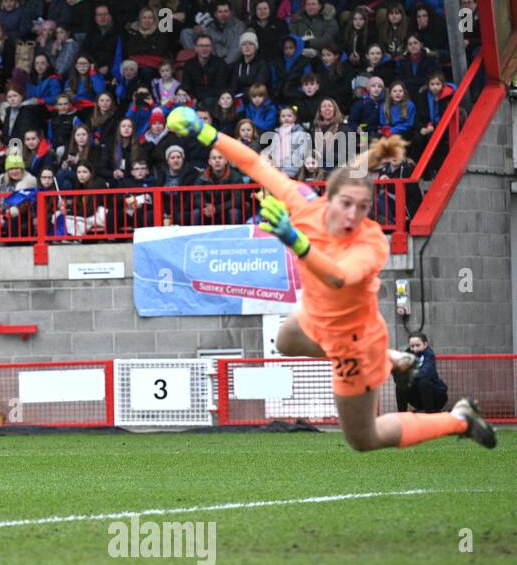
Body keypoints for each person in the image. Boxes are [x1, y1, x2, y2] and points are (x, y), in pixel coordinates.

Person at [165, 106, 496, 452]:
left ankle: (458, 419)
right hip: (317, 316)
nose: (354, 215)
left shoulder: (369, 241)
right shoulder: (306, 204)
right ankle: (392, 358)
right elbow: (254, 164)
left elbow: (340, 277)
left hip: (354, 340)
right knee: (287, 339)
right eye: (347, 204)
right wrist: (206, 133)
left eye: (364, 207)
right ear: (328, 198)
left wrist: (296, 241)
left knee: (363, 438)